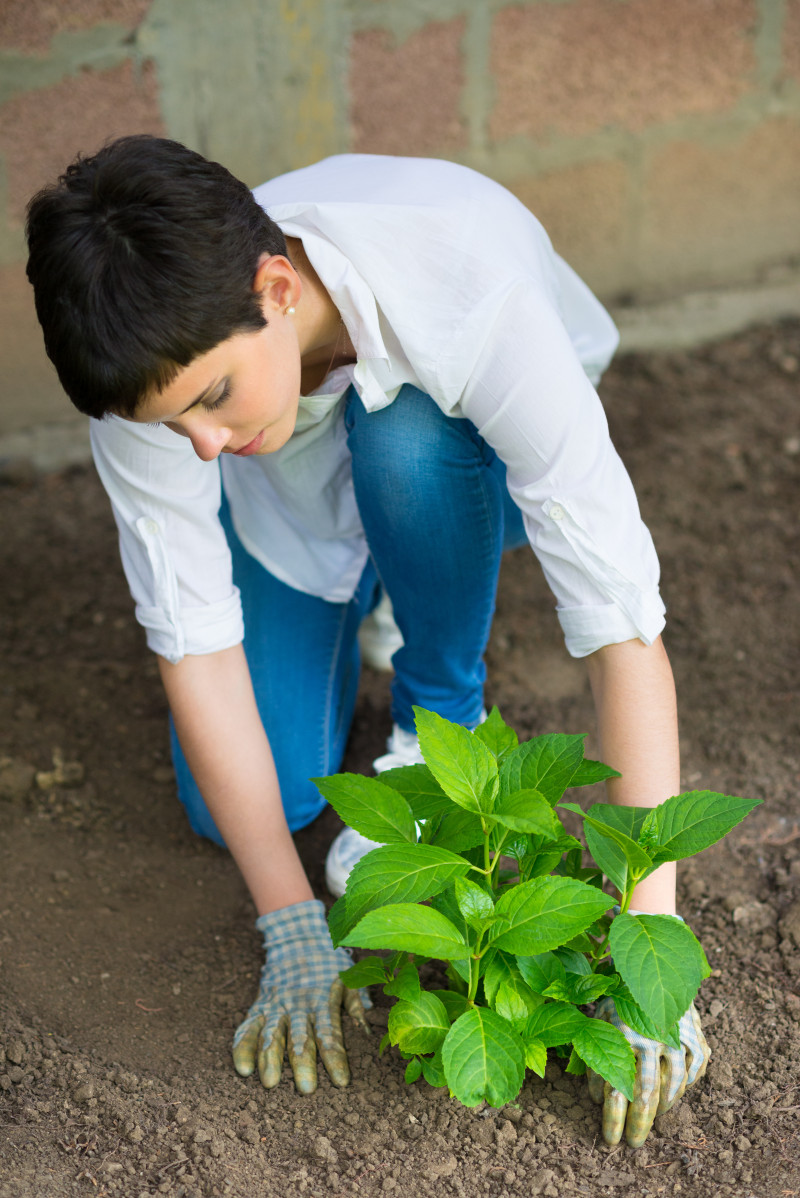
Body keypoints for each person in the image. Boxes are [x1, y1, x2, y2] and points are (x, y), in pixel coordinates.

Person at [25, 135, 709, 1147]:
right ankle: (361, 604)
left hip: (458, 462)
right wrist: (289, 923)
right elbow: (195, 649)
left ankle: (439, 713)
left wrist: (648, 943)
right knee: (245, 810)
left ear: (275, 286)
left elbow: (621, 630)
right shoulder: (153, 370)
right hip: (294, 512)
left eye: (210, 399)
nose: (199, 446)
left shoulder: (461, 285)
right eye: (174, 428)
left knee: (405, 435)